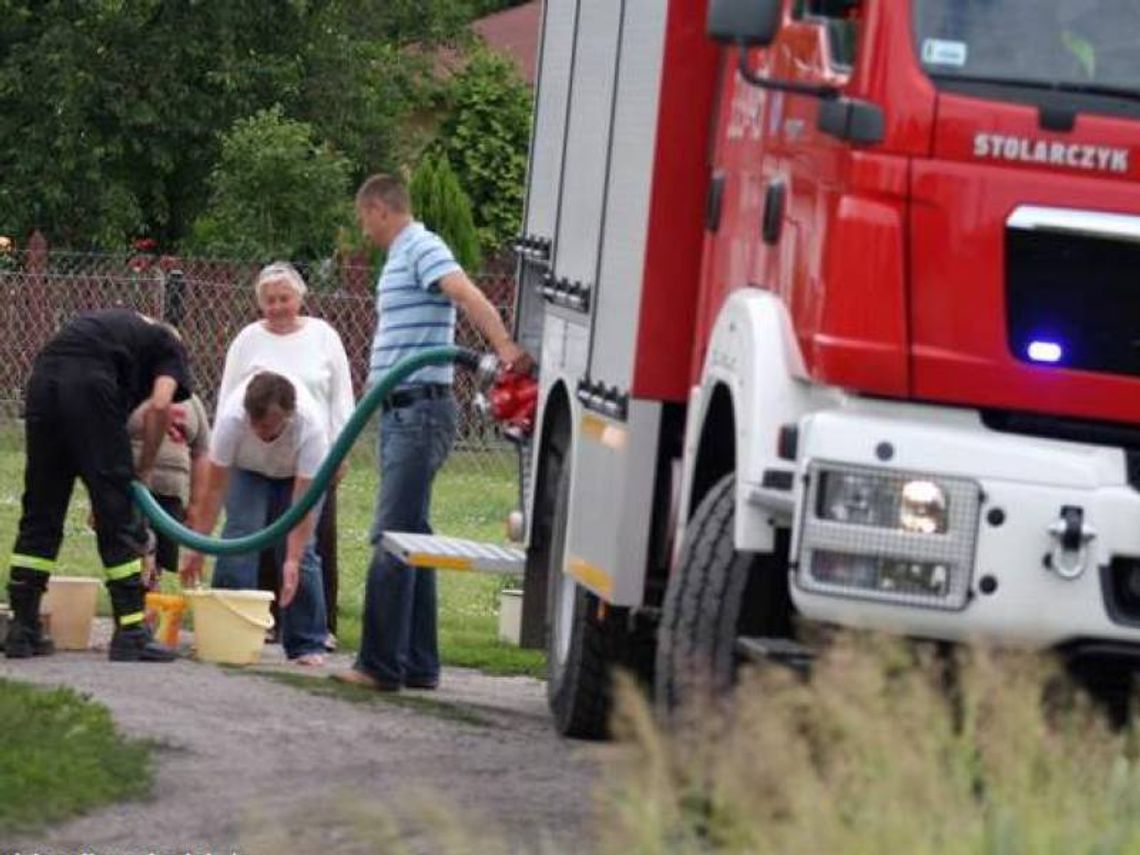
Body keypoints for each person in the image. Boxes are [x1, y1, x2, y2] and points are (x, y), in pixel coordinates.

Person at [333, 174, 532, 692]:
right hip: (405, 410)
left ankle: (378, 664)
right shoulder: (404, 253)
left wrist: (504, 347)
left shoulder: (421, 245)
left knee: (390, 535)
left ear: (378, 208)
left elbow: (464, 293)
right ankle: (419, 664)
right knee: (414, 536)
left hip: (419, 410)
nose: (364, 230)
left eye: (363, 219)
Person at [4, 309, 192, 662]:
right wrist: (144, 470)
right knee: (119, 515)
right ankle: (131, 631)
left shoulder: (112, 327)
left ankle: (23, 627)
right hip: (92, 385)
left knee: (42, 508)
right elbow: (161, 405)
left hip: (44, 380)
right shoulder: (168, 343)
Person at [217, 261, 354, 649]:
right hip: (252, 457)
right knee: (245, 533)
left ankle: (313, 630)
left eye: (284, 298)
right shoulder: (247, 339)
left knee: (307, 543)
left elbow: (341, 398)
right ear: (260, 303)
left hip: (309, 454)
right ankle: (242, 623)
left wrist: (340, 451)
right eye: (269, 300)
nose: (277, 307)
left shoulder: (323, 336)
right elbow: (229, 396)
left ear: (300, 298)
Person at [181, 371, 330, 665]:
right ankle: (228, 633)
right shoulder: (232, 421)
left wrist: (292, 558)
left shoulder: (310, 427)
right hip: (247, 470)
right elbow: (213, 490)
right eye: (257, 425)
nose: (263, 433)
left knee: (302, 554)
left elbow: (303, 505)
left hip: (296, 475)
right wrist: (197, 547)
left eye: (271, 427)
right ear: (247, 415)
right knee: (239, 537)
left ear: (289, 416)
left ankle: (307, 643)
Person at [127, 388, 211, 588]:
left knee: (163, 553)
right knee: (133, 548)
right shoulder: (131, 389)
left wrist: (196, 504)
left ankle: (152, 595)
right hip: (133, 489)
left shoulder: (192, 402)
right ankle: (131, 593)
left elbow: (201, 453)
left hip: (171, 495)